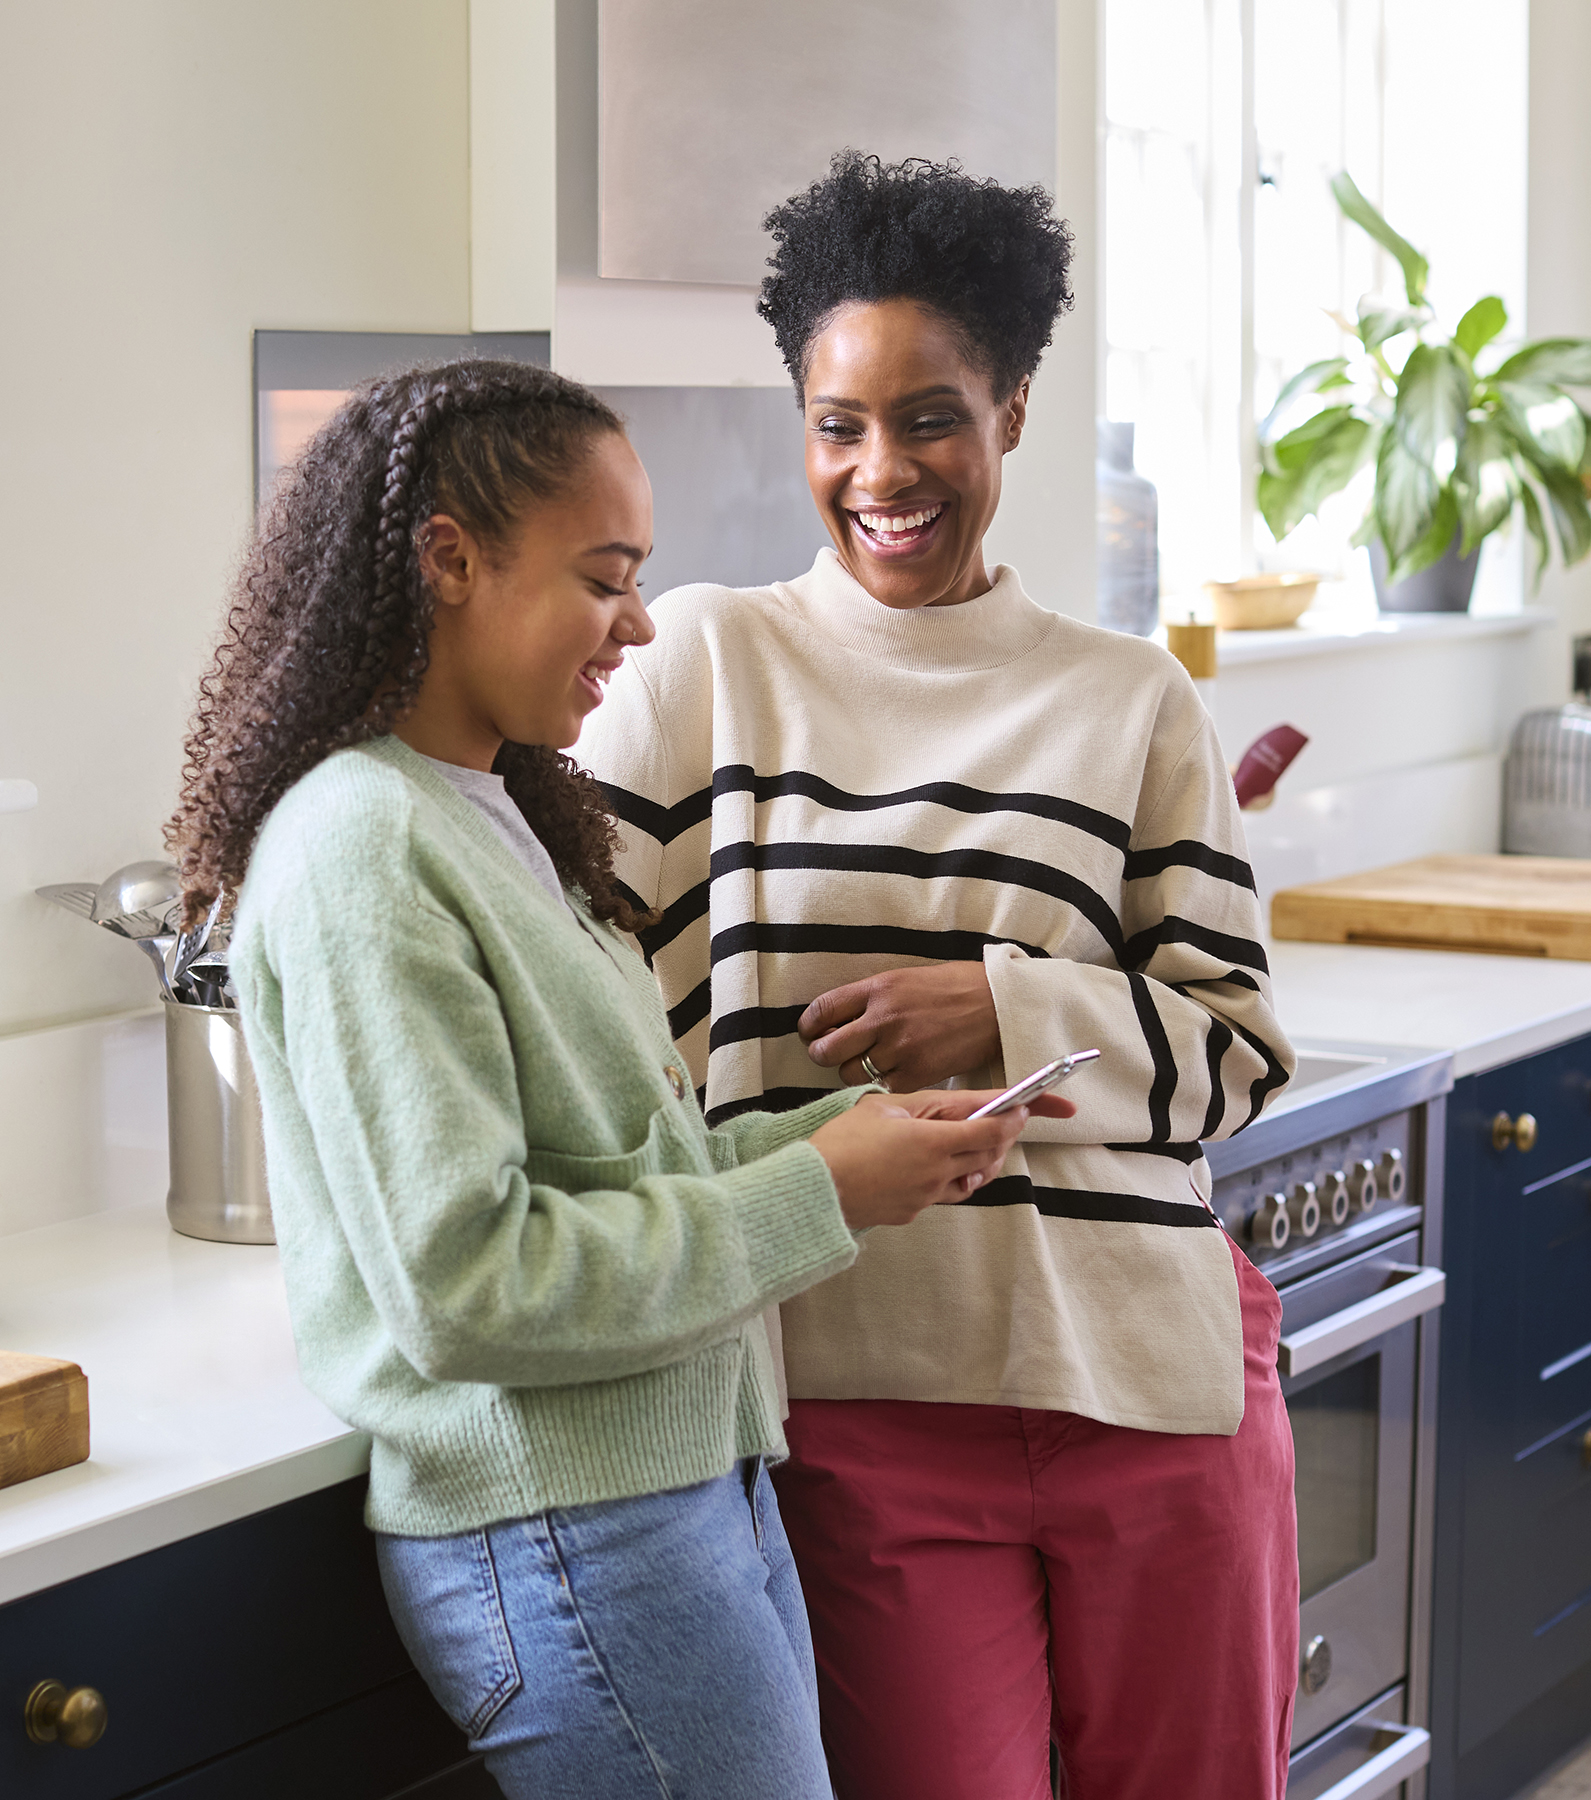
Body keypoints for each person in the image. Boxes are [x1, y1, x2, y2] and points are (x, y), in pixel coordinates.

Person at [167, 358, 1068, 1800]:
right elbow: (470, 1282)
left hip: (671, 1502)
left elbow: (606, 1174)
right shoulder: (361, 844)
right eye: (606, 579)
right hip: (572, 1540)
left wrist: (849, 1138)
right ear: (449, 561)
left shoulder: (493, 809)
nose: (639, 625)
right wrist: (815, 1197)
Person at [577, 156, 1300, 1800]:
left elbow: (1239, 1052)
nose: (882, 471)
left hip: (1153, 1376)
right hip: (861, 1392)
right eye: (840, 424)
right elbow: (566, 979)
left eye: (932, 418)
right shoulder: (700, 665)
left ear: (1016, 411)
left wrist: (1009, 1005)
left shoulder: (1131, 702)